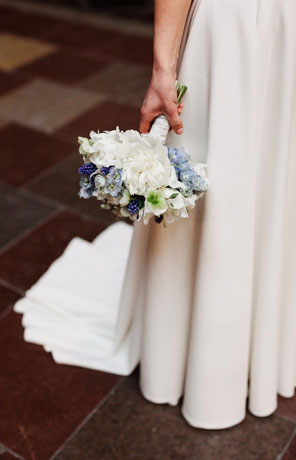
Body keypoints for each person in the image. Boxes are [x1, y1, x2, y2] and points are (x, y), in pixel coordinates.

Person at [131, 0, 294, 429]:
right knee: (217, 185)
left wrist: (163, 70)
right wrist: (163, 71)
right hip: (234, 29)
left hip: (258, 28)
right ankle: (227, 358)